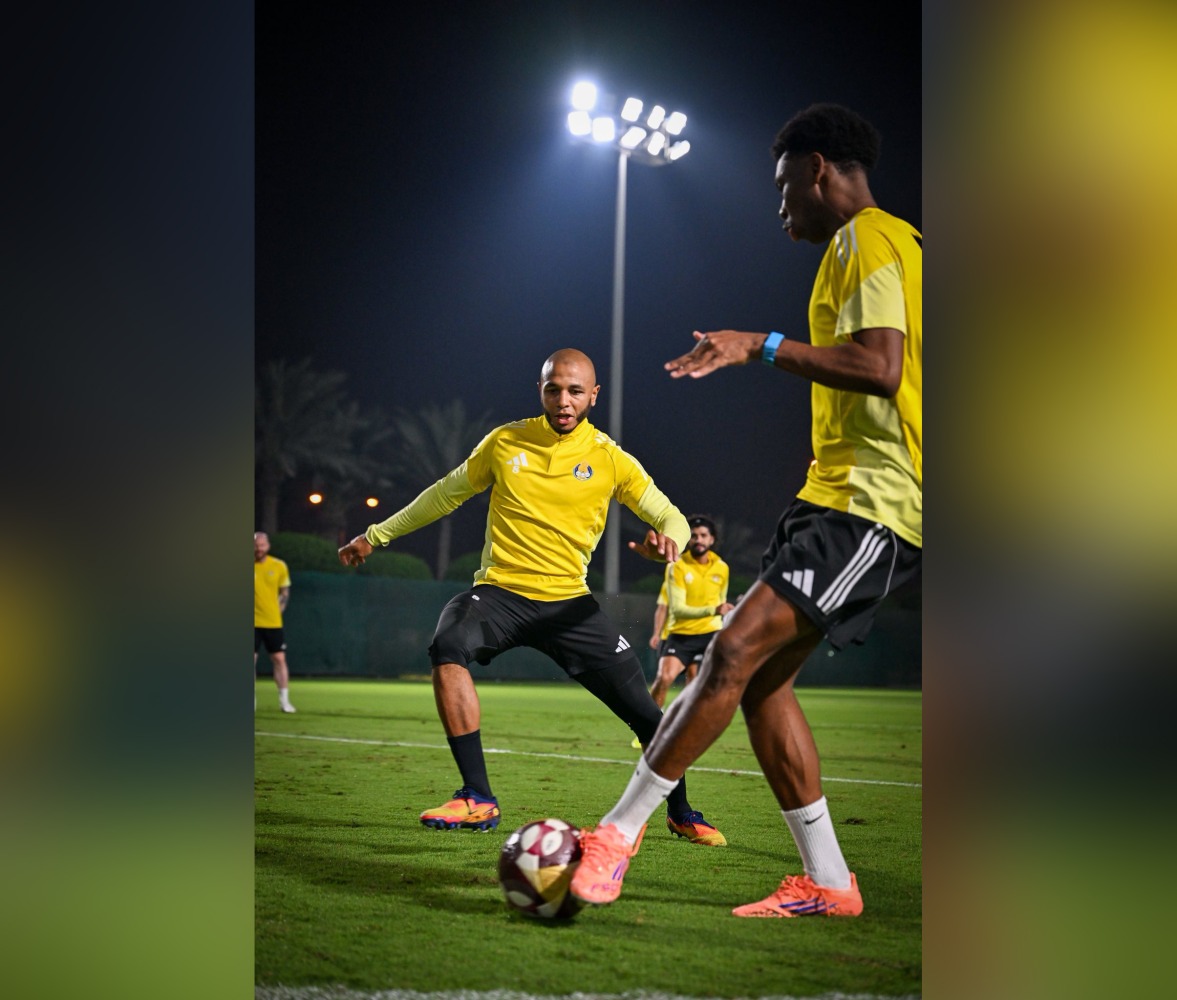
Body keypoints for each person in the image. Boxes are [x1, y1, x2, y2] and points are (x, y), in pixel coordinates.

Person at [571, 103, 922, 917]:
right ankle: (829, 883)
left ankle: (615, 837)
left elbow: (878, 366)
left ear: (817, 170)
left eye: (781, 187)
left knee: (730, 650)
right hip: (835, 496)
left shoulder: (868, 237)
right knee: (762, 684)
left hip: (875, 505)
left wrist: (757, 344)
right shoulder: (868, 246)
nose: (778, 206)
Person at [337, 348, 726, 847]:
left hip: (571, 606)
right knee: (449, 642)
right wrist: (377, 534)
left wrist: (667, 539)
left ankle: (681, 811)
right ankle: (477, 797)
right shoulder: (504, 442)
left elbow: (668, 513)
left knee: (649, 717)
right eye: (553, 389)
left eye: (575, 390)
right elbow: (443, 493)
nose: (563, 400)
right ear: (540, 390)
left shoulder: (609, 458)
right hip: (501, 594)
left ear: (593, 395)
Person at [649, 515, 734, 710]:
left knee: (696, 684)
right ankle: (649, 727)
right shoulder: (676, 566)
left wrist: (724, 614)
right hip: (680, 634)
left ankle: (680, 730)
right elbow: (674, 609)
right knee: (664, 678)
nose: (699, 540)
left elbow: (721, 603)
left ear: (712, 539)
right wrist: (656, 633)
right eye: (694, 536)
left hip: (709, 634)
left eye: (704, 535)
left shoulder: (722, 568)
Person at [254, 531, 297, 713]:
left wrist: (277, 612)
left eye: (262, 545)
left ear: (268, 546)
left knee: (279, 659)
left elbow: (284, 593)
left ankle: (284, 701)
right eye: (256, 546)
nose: (259, 549)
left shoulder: (279, 565)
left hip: (273, 622)